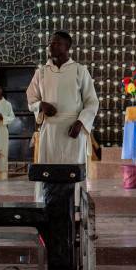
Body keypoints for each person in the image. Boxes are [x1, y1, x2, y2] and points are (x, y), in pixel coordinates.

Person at [26, 30, 99, 202]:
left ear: (67, 47)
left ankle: (75, 210)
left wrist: (81, 122)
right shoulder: (42, 72)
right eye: (50, 43)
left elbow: (92, 102)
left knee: (72, 170)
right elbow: (31, 98)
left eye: (56, 43)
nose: (51, 46)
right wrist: (40, 105)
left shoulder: (80, 70)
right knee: (48, 169)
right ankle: (46, 205)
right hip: (50, 130)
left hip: (73, 130)